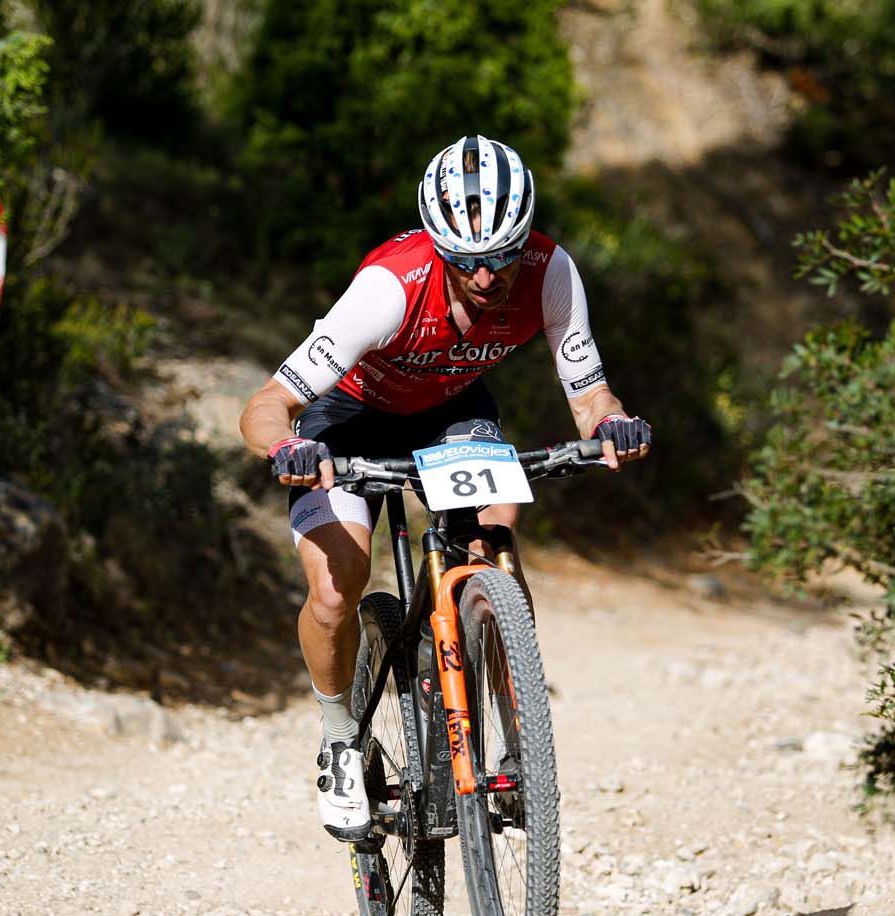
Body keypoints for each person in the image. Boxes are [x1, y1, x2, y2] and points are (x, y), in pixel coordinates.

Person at [238, 134, 651, 841]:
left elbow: (592, 400)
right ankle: (341, 737)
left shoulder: (552, 272)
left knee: (496, 529)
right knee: (339, 586)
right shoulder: (388, 288)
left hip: (452, 412)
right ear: (437, 245)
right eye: (466, 261)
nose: (488, 277)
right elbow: (266, 403)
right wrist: (289, 447)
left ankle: (512, 716)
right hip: (351, 422)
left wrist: (614, 426)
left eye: (502, 257)